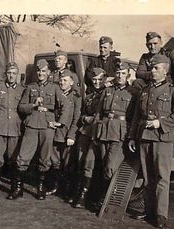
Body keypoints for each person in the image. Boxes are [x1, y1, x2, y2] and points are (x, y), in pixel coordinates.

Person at [128, 54, 174, 228]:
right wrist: (132, 137)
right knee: (147, 177)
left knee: (162, 177)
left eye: (156, 68)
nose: (152, 71)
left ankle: (161, 215)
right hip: (144, 137)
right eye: (151, 68)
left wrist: (160, 123)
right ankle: (149, 210)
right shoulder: (144, 91)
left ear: (166, 70)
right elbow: (137, 117)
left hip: (163, 138)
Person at [9, 59, 71, 200]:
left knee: (45, 158)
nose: (41, 73)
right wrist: (32, 105)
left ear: (49, 73)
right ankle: (18, 189)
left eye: (44, 71)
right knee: (23, 157)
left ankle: (40, 188)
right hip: (31, 124)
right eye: (39, 71)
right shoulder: (30, 88)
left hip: (47, 126)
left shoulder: (55, 88)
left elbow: (66, 106)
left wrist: (59, 123)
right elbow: (21, 107)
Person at [92, 60, 139, 209]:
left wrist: (130, 136)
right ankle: (104, 199)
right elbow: (99, 113)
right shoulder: (107, 90)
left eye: (123, 73)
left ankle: (106, 199)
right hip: (104, 130)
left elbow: (134, 118)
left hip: (120, 133)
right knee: (104, 164)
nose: (119, 76)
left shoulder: (133, 93)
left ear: (128, 75)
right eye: (118, 73)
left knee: (111, 166)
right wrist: (95, 131)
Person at [0, 62, 25, 197]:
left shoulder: (21, 90)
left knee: (13, 158)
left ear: (17, 75)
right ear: (5, 74)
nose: (11, 75)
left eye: (14, 73)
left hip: (14, 128)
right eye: (9, 73)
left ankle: (14, 188)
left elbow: (24, 108)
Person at [73, 67, 107, 208]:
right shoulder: (89, 95)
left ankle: (94, 196)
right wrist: (86, 118)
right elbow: (81, 114)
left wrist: (92, 119)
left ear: (104, 79)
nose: (97, 82)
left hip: (99, 134)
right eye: (94, 80)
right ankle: (81, 194)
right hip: (85, 132)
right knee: (82, 162)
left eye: (100, 79)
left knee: (94, 163)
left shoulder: (107, 94)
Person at [47, 69, 82, 197]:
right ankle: (55, 186)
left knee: (68, 163)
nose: (62, 82)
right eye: (61, 80)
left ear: (71, 82)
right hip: (55, 133)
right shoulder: (55, 94)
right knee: (55, 161)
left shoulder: (76, 98)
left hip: (67, 134)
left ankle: (67, 190)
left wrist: (72, 134)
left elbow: (76, 118)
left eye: (65, 80)